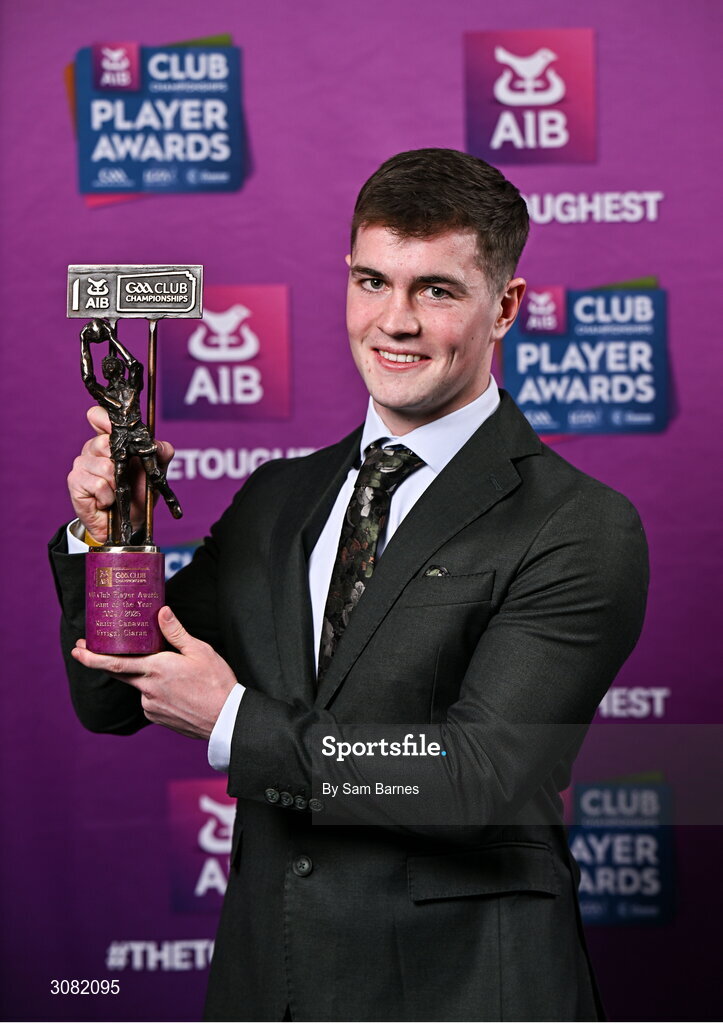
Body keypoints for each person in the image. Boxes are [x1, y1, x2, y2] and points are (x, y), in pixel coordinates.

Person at [50, 148, 648, 1022]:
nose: (393, 321)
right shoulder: (277, 497)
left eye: (436, 291)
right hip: (272, 983)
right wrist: (114, 536)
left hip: (465, 991)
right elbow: (113, 697)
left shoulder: (576, 524)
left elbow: (477, 776)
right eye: (373, 281)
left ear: (505, 308)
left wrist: (233, 722)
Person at [79, 317, 182, 544]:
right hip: (120, 438)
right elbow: (88, 378)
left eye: (111, 363)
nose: (108, 365)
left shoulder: (132, 385)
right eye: (105, 365)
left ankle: (169, 497)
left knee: (154, 473)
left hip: (138, 431)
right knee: (120, 481)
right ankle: (125, 524)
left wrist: (112, 339)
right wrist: (83, 343)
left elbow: (136, 365)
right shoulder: (105, 395)